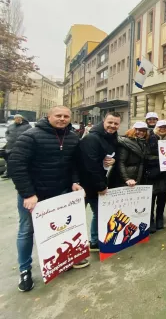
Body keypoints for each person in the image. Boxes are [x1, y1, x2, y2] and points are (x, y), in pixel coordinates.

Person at [9, 106, 87, 292]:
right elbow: (16, 165)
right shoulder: (31, 135)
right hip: (33, 195)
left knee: (60, 230)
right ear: (49, 116)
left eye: (66, 116)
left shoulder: (73, 137)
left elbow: (74, 164)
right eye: (58, 116)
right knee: (27, 231)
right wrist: (28, 193)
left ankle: (61, 261)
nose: (62, 119)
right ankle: (25, 270)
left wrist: (75, 182)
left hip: (59, 192)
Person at [79, 112, 120, 251]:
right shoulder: (92, 138)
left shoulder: (112, 138)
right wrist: (100, 185)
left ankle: (95, 241)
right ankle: (77, 247)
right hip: (86, 185)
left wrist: (114, 161)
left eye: (116, 123)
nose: (112, 126)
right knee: (79, 217)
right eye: (110, 122)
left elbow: (113, 156)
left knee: (99, 213)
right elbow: (90, 165)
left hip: (98, 182)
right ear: (104, 122)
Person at [144, 120, 166, 232]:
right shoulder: (150, 138)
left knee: (162, 197)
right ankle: (150, 219)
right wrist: (161, 159)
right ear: (157, 127)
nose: (163, 129)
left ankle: (159, 218)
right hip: (153, 173)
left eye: (165, 127)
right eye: (161, 127)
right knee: (151, 198)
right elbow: (147, 156)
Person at [112, 122, 148, 190]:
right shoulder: (126, 143)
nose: (142, 133)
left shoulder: (142, 142)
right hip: (127, 178)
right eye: (139, 130)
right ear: (133, 130)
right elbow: (120, 162)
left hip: (136, 176)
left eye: (144, 131)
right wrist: (126, 179)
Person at [3, 114, 31, 179]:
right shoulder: (10, 126)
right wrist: (8, 138)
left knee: (21, 161)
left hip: (21, 147)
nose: (18, 119)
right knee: (9, 160)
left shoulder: (27, 126)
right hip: (10, 146)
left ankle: (22, 173)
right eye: (16, 118)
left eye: (19, 118)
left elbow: (31, 134)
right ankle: (8, 173)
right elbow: (6, 133)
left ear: (22, 119)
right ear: (14, 119)